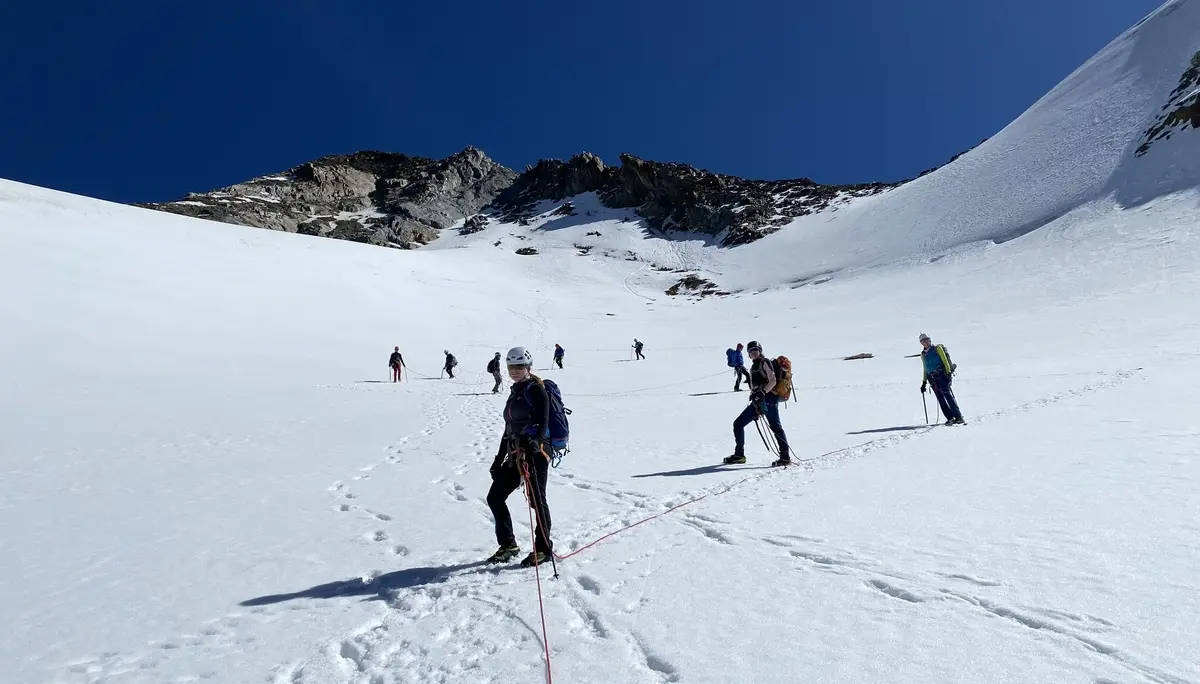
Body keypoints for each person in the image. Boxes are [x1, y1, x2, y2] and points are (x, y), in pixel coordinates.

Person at [485, 347, 554, 567]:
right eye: (511, 367)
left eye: (519, 366)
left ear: (528, 367)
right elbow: (509, 429)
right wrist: (498, 459)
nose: (514, 371)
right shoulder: (515, 391)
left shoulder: (536, 389)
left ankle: (544, 548)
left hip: (536, 452)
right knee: (495, 497)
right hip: (516, 451)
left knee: (537, 499)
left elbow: (544, 421)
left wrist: (537, 442)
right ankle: (508, 545)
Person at [724, 341, 791, 466]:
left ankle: (785, 457)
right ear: (749, 354)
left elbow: (773, 380)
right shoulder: (754, 367)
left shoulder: (765, 362)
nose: (753, 352)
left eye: (755, 350)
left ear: (760, 351)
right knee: (738, 424)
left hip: (769, 400)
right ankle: (739, 455)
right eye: (751, 351)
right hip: (758, 402)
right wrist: (755, 396)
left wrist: (762, 393)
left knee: (775, 427)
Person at [919, 333, 964, 425]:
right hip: (932, 378)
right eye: (923, 341)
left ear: (929, 340)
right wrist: (924, 382)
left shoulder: (937, 348)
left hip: (941, 374)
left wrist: (947, 373)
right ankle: (950, 418)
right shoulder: (923, 354)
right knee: (940, 398)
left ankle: (958, 417)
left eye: (926, 340)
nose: (925, 342)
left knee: (947, 395)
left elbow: (945, 361)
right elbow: (925, 368)